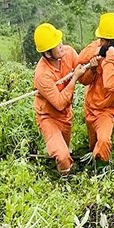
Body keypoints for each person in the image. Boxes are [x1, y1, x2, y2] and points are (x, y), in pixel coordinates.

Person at [77, 13, 114, 164]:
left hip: (106, 111)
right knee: (93, 145)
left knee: (103, 142)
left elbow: (111, 83)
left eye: (103, 40)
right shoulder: (99, 46)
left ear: (112, 42)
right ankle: (92, 161)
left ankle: (100, 172)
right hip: (90, 107)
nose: (99, 42)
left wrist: (108, 58)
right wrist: (93, 66)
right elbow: (80, 63)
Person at [32, 23, 87, 175]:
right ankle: (64, 184)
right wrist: (74, 78)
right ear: (48, 54)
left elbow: (84, 74)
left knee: (65, 151)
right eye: (56, 45)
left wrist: (94, 63)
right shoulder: (42, 75)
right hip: (49, 118)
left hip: (65, 116)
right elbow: (59, 103)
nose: (61, 45)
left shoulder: (68, 53)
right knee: (62, 156)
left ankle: (62, 168)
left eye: (60, 41)